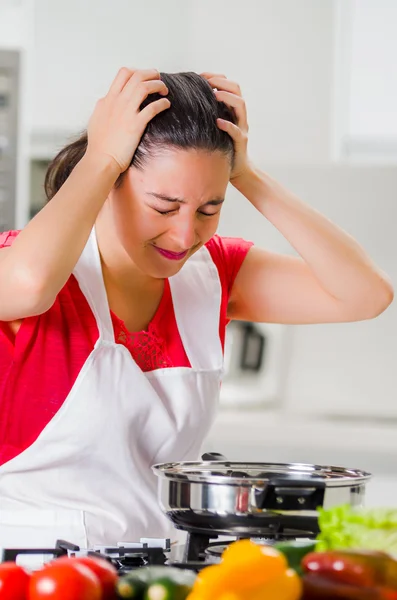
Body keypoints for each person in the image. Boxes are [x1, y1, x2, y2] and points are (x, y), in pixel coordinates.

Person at [0, 68, 393, 548]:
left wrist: (246, 175)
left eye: (208, 209)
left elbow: (365, 294)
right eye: (164, 207)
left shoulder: (212, 274)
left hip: (159, 573)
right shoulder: (23, 266)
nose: (185, 236)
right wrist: (100, 156)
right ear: (111, 182)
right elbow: (30, 286)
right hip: (29, 577)